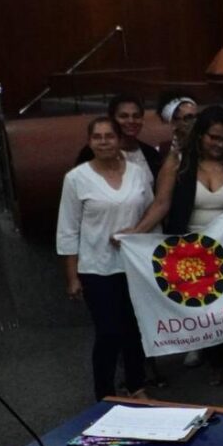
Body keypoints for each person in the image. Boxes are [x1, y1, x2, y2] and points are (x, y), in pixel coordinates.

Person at [122, 106, 223, 390]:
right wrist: (135, 234)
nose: (220, 144)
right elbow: (161, 204)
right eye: (213, 137)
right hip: (188, 251)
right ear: (199, 135)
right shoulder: (179, 162)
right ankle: (216, 361)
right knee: (204, 309)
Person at [58, 117, 154, 401]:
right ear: (89, 142)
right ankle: (105, 394)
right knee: (108, 332)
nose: (103, 142)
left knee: (134, 329)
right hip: (96, 268)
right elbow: (67, 229)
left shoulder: (138, 173)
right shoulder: (76, 179)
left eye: (109, 136)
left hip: (133, 266)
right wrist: (72, 277)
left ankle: (136, 385)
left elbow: (150, 212)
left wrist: (137, 234)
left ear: (119, 139)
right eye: (97, 137)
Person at [75, 94, 162, 180]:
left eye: (136, 116)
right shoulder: (93, 152)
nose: (131, 121)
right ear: (111, 119)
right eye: (124, 116)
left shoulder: (151, 154)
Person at [156, 91, 198, 160]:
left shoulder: (208, 149)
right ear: (173, 123)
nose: (195, 121)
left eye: (197, 116)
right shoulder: (160, 152)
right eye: (188, 118)